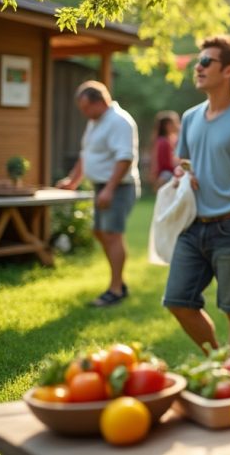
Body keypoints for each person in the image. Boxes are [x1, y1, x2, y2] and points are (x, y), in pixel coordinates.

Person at [165, 34, 230, 353]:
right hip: (192, 225)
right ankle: (217, 360)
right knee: (178, 301)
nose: (198, 67)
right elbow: (182, 163)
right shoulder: (190, 117)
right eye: (198, 61)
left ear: (229, 71)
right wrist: (182, 173)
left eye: (206, 61)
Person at [56, 80, 140, 307]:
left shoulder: (119, 121)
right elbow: (87, 153)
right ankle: (119, 283)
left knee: (112, 235)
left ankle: (115, 290)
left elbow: (124, 158)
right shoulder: (96, 121)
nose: (84, 113)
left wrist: (110, 189)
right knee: (99, 232)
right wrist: (73, 180)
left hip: (118, 187)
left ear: (100, 101)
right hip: (101, 187)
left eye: (86, 108)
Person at [149, 110, 180, 191]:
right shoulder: (163, 142)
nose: (177, 125)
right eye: (175, 123)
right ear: (167, 125)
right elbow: (165, 164)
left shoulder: (171, 140)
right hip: (167, 176)